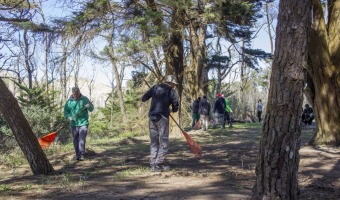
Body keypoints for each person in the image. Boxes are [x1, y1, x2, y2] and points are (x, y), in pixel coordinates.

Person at [141, 75, 179, 172]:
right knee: (164, 141)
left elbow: (144, 98)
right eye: (174, 84)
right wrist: (171, 109)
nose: (174, 86)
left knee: (154, 142)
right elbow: (176, 105)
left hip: (152, 118)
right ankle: (159, 163)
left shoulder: (155, 87)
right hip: (162, 118)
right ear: (171, 83)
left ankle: (153, 164)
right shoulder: (171, 91)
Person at [64, 87, 94, 161]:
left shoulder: (84, 99)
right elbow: (65, 111)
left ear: (79, 92)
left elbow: (91, 109)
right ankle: (77, 154)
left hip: (83, 123)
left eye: (76, 94)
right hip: (73, 124)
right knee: (75, 139)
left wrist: (89, 106)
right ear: (72, 93)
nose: (75, 96)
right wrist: (68, 117)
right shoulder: (69, 101)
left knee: (82, 139)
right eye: (74, 94)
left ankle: (81, 155)